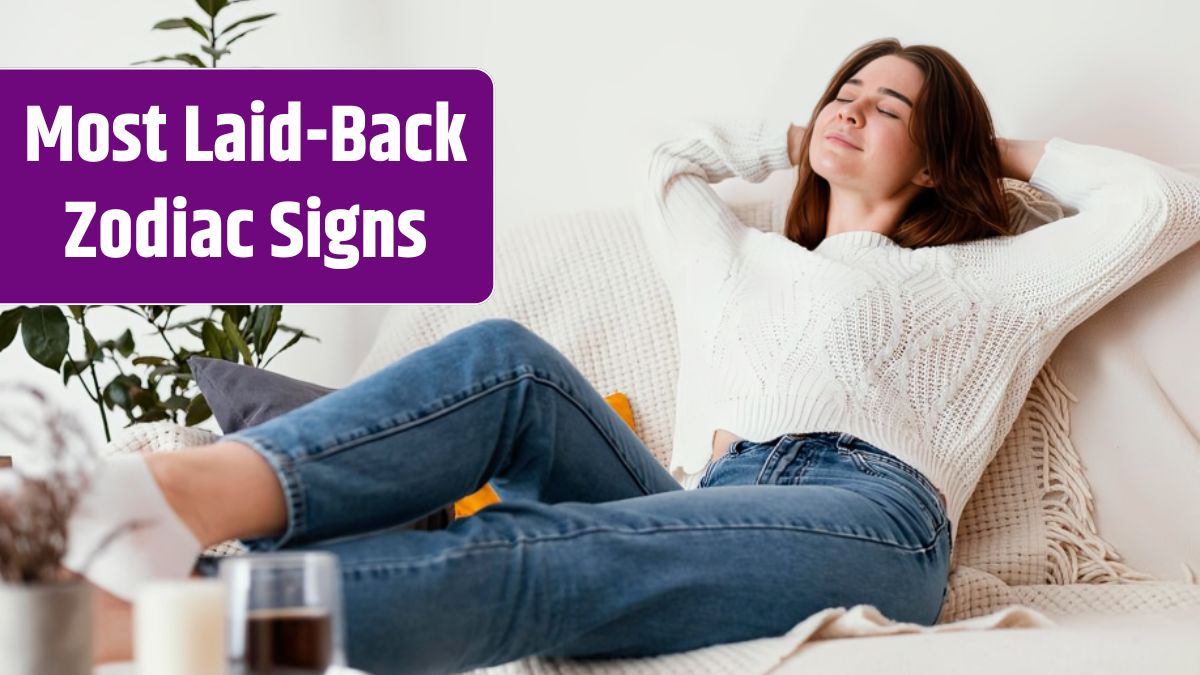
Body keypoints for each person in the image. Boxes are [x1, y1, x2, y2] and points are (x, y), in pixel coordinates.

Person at [67, 37, 1200, 674]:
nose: (851, 109)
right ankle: (170, 496)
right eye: (842, 93)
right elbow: (669, 162)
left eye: (890, 105)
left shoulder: (987, 283)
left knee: (535, 551)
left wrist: (981, 143)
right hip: (705, 497)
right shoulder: (743, 259)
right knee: (507, 360)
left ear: (938, 145)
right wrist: (798, 138)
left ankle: (167, 619)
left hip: (868, 521)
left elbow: (1162, 202)